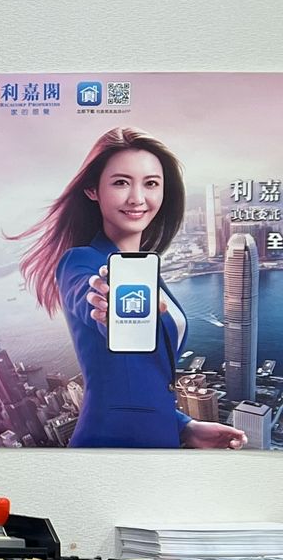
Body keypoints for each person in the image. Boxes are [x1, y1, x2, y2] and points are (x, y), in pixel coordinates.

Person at [16, 127, 244, 448]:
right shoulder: (80, 262)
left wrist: (185, 427)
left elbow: (143, 377)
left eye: (151, 183)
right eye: (121, 182)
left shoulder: (147, 269)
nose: (137, 198)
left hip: (157, 443)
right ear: (93, 190)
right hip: (106, 447)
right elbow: (89, 295)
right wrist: (106, 306)